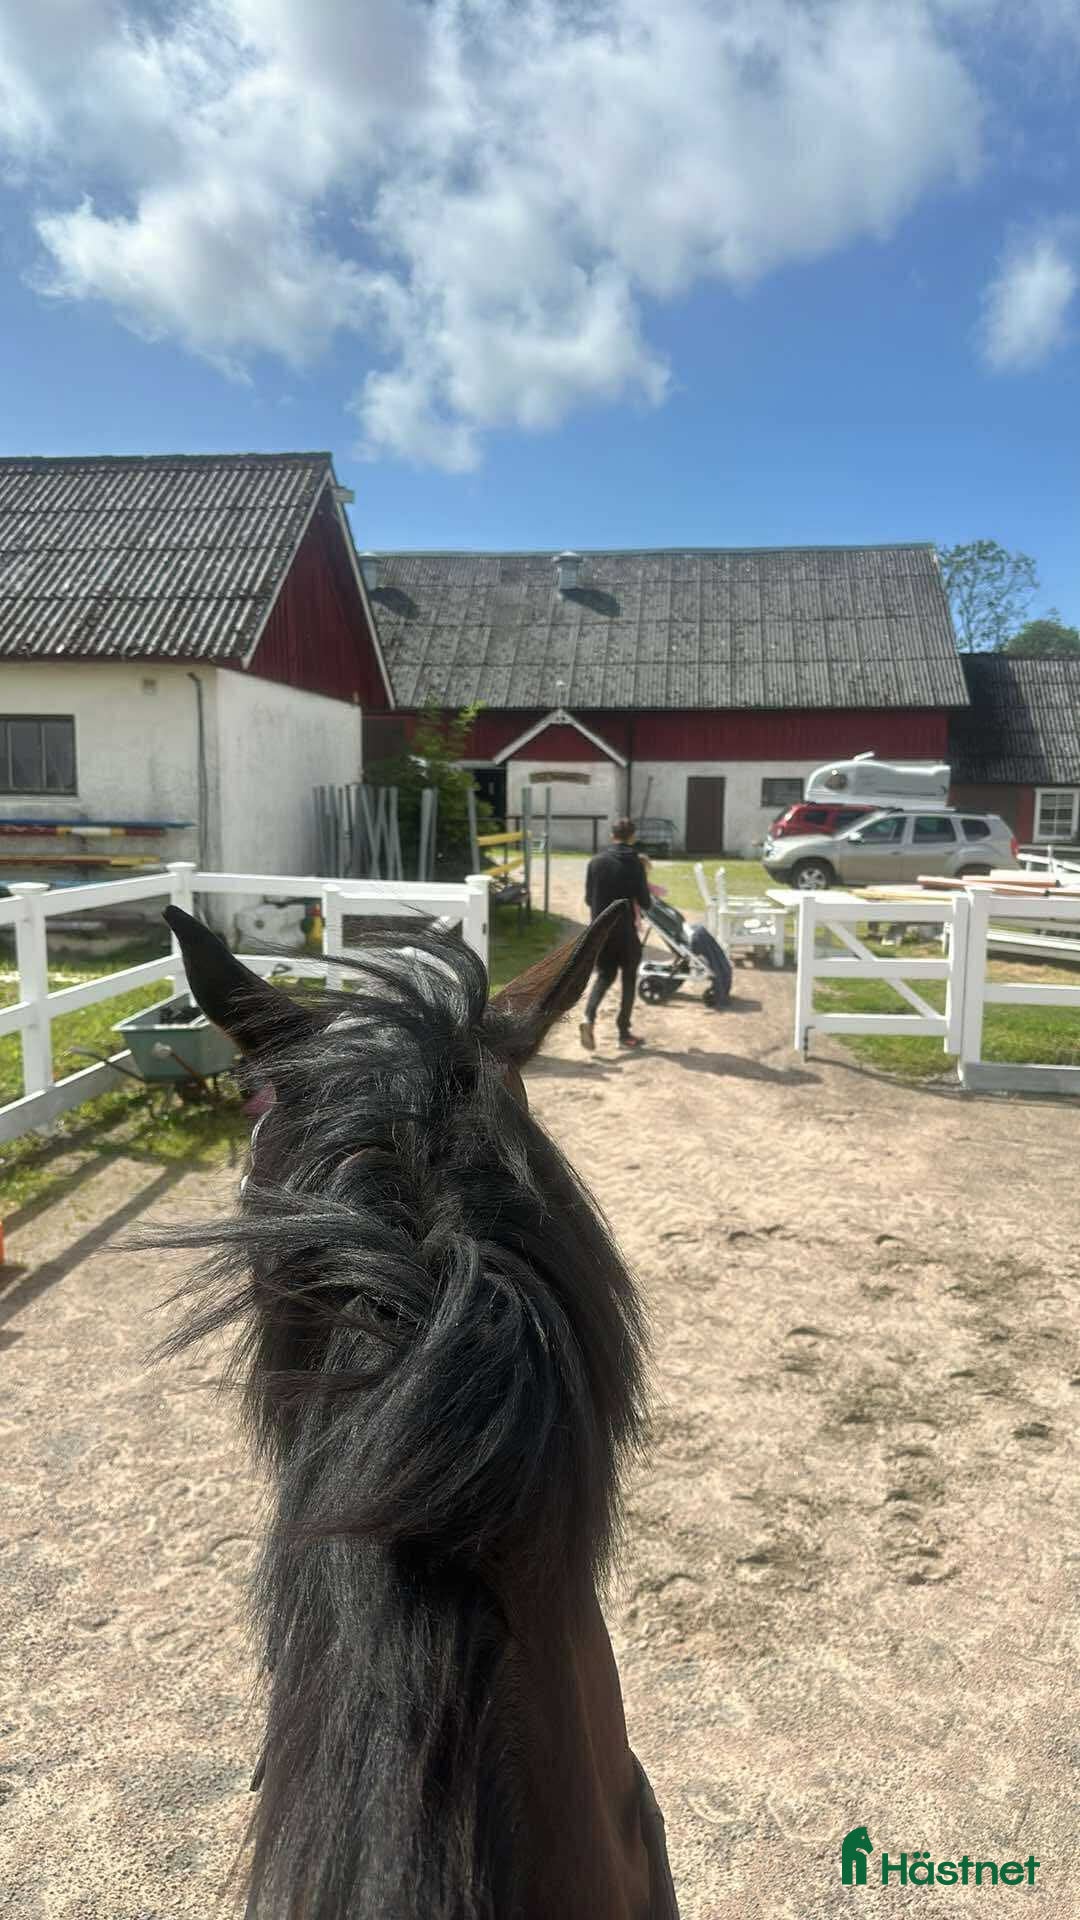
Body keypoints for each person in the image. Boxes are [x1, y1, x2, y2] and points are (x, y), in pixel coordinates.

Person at [580, 817, 652, 1051]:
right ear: (632, 836)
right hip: (624, 931)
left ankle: (588, 1017)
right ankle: (623, 1032)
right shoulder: (635, 863)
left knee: (604, 975)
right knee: (629, 978)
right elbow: (645, 902)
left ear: (612, 836)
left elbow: (589, 899)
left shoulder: (596, 862)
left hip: (600, 931)